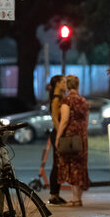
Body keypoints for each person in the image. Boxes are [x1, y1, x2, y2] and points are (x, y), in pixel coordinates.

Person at [55, 75, 91, 207]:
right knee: (81, 165)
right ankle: (78, 198)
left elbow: (64, 120)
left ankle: (75, 198)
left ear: (67, 85)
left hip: (70, 137)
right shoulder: (83, 101)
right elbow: (86, 121)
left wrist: (58, 137)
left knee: (72, 165)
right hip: (82, 137)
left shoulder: (67, 101)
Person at [46, 75, 68, 205]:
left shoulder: (61, 97)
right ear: (58, 84)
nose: (65, 84)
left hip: (59, 133)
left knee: (59, 164)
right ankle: (53, 195)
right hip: (57, 133)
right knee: (57, 164)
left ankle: (56, 194)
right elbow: (55, 119)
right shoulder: (56, 99)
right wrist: (60, 134)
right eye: (64, 82)